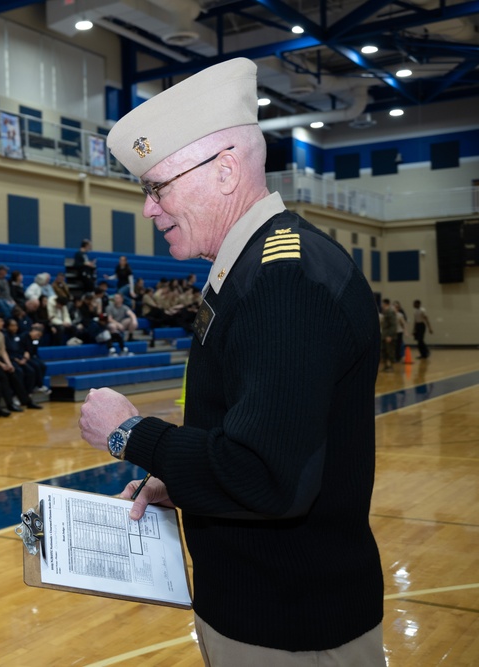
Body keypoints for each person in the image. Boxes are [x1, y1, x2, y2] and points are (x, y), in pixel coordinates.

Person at [80, 58, 384, 665]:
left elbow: (267, 478)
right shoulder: (259, 268)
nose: (149, 209)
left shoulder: (282, 280)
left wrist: (131, 434)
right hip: (273, 606)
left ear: (223, 170)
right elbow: (260, 443)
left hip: (291, 626)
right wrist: (185, 479)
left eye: (157, 187)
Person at [0, 313, 41, 411]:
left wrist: (8, 364)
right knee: (3, 377)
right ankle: (10, 404)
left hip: (0, 358)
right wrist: (2, 364)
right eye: (1, 321)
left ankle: (27, 401)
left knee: (14, 373)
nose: (2, 323)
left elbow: (3, 351)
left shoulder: (0, 334)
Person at [380, 298, 398, 372]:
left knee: (390, 351)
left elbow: (393, 325)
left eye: (382, 303)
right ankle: (386, 366)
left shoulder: (390, 312)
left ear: (385, 304)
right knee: (384, 351)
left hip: (389, 336)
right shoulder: (386, 312)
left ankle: (391, 367)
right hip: (384, 335)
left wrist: (390, 335)